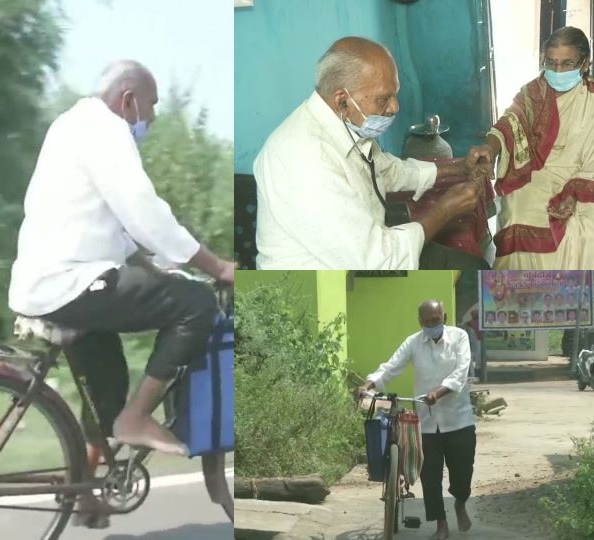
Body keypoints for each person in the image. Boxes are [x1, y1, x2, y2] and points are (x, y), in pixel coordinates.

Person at [8, 60, 235, 525]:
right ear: (128, 98)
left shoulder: (69, 126)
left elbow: (115, 230)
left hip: (53, 282)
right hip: (70, 282)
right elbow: (145, 213)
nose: (148, 122)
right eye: (150, 110)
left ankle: (84, 494)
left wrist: (156, 267)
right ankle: (137, 420)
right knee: (195, 304)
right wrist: (216, 267)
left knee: (105, 394)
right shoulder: (106, 129)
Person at [253, 36, 492, 270]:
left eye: (395, 94)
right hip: (316, 288)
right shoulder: (303, 158)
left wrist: (459, 168)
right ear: (342, 101)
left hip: (364, 258)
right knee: (469, 282)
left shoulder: (342, 126)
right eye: (383, 98)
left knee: (473, 266)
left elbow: (387, 171)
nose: (395, 107)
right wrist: (446, 210)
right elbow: (377, 259)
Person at [359, 301, 476, 540]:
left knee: (462, 475)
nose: (433, 325)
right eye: (428, 321)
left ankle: (460, 503)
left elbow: (461, 371)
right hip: (426, 422)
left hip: (459, 420)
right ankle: (440, 524)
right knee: (430, 476)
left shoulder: (459, 337)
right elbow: (392, 366)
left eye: (437, 319)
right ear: (420, 322)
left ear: (444, 315)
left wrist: (439, 392)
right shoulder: (414, 342)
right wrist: (368, 384)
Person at [480, 27, 594, 269]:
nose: (558, 71)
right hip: (536, 175)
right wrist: (490, 150)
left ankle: (573, 300)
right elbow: (508, 123)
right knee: (518, 216)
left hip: (586, 178)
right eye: (551, 63)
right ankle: (515, 297)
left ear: (584, 65)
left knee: (585, 232)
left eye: (567, 63)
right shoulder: (533, 93)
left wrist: (573, 194)